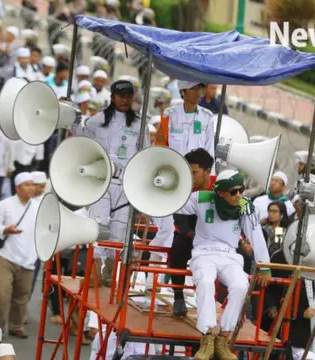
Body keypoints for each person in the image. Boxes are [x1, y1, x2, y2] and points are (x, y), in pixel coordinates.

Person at [176, 169, 270, 360]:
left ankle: (223, 338)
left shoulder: (246, 206)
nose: (238, 195)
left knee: (241, 285)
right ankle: (208, 336)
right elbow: (176, 204)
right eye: (234, 191)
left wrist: (265, 266)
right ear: (220, 192)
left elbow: (256, 236)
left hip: (230, 255)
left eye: (241, 190)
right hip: (204, 252)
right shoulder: (202, 198)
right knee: (205, 282)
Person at [82, 79, 149, 287]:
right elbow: (81, 142)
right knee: (98, 225)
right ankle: (93, 270)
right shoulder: (97, 120)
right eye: (121, 96)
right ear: (113, 97)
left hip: (125, 184)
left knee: (119, 230)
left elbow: (145, 154)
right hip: (102, 180)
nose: (125, 100)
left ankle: (110, 272)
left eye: (128, 96)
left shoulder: (139, 125)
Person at [0, 172, 39, 338]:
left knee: (21, 296)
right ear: (17, 187)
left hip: (29, 258)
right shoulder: (4, 205)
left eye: (33, 184)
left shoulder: (38, 206)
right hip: (6, 256)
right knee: (2, 293)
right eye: (27, 184)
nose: (31, 187)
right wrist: (5, 229)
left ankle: (16, 326)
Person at [169, 148, 215, 316]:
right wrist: (195, 236)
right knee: (178, 246)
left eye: (194, 172)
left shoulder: (219, 187)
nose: (190, 176)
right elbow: (180, 221)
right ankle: (178, 298)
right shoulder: (183, 189)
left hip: (213, 240)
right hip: (189, 236)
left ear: (207, 171)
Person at [153, 81, 215, 157]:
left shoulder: (207, 117)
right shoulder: (169, 115)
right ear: (182, 91)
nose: (198, 92)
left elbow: (210, 151)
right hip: (174, 167)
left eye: (199, 88)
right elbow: (159, 147)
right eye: (193, 89)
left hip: (197, 168)